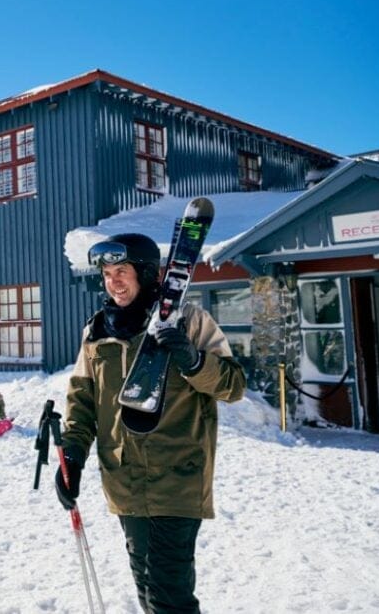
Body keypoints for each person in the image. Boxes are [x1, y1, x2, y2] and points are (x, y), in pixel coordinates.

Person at [56, 232, 246, 614]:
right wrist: (73, 454)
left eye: (122, 271)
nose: (114, 282)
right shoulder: (96, 331)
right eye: (107, 274)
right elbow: (82, 402)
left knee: (167, 596)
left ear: (145, 272)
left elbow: (233, 385)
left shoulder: (190, 321)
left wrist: (194, 362)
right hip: (124, 482)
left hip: (177, 478)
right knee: (146, 585)